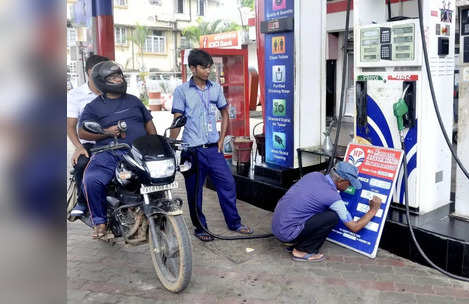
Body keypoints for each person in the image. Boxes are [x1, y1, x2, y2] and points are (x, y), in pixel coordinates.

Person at [169, 49, 253, 242]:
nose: (208, 71)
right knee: (194, 191)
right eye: (203, 67)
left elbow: (225, 112)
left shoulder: (215, 88)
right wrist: (172, 144)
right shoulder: (182, 91)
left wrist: (222, 140)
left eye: (209, 67)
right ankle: (200, 228)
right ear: (192, 68)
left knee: (228, 183)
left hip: (213, 149)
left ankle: (234, 223)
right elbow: (178, 119)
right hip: (192, 150)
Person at [79, 61, 157, 239]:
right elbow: (82, 131)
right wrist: (106, 132)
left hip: (136, 153)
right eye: (113, 77)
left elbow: (150, 126)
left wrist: (155, 144)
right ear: (102, 81)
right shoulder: (93, 107)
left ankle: (149, 212)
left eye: (120, 75)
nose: (119, 79)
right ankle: (99, 222)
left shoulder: (134, 101)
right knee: (91, 180)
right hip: (108, 153)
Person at [272, 161, 382, 262]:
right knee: (332, 217)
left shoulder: (314, 175)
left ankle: (297, 242)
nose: (350, 187)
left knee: (319, 210)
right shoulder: (332, 196)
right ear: (341, 181)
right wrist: (373, 210)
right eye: (349, 183)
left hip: (278, 226)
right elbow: (354, 227)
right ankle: (302, 251)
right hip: (287, 233)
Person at [67, 55, 109, 217]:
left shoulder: (113, 90)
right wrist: (79, 147)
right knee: (82, 163)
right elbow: (70, 127)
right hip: (90, 143)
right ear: (91, 71)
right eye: (104, 70)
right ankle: (83, 201)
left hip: (115, 141)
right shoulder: (76, 95)